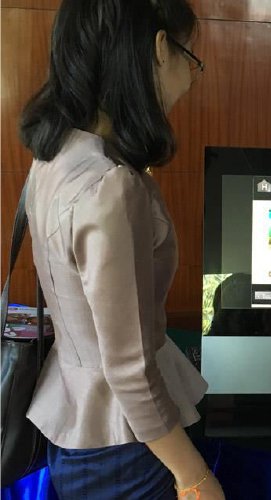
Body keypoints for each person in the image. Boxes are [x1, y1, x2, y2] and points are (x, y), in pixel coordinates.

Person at [19, 1, 224, 498]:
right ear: (158, 48)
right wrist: (194, 477)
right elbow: (129, 369)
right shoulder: (110, 186)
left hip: (84, 428)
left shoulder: (56, 156)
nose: (191, 78)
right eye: (189, 59)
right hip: (129, 448)